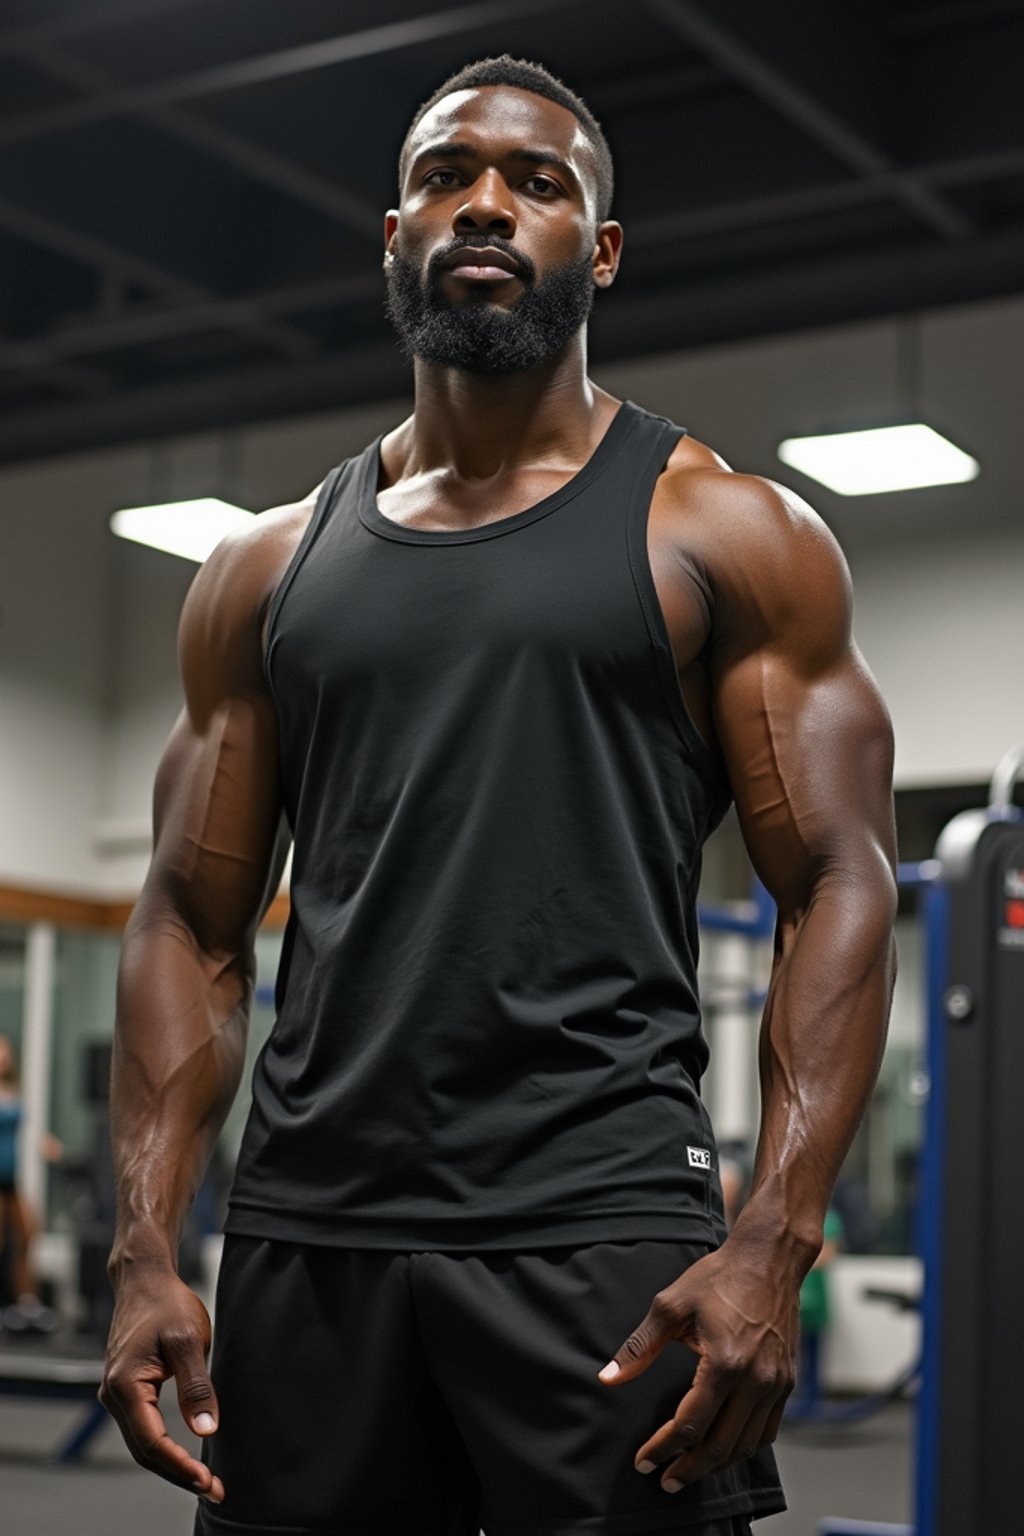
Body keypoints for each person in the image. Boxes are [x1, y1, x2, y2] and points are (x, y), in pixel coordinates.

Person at [99, 54, 898, 1536]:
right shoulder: (263, 572)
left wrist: (774, 1241)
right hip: (312, 1234)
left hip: (603, 1229)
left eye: (537, 182)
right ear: (393, 231)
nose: (483, 203)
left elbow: (838, 882)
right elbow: (187, 919)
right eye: (444, 175)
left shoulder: (726, 532)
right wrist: (145, 1246)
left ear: (595, 251)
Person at [0, 1033, 60, 1333]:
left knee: (27, 1234)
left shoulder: (13, 1090)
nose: (3, 1056)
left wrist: (42, 1143)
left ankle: (27, 1303)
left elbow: (24, 1129)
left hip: (11, 1178)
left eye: (5, 1050)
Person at [789, 1206, 845, 1417]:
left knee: (813, 1351)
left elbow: (827, 1254)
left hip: (815, 1298)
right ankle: (796, 1401)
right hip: (796, 1297)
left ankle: (812, 1402)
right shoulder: (795, 1214)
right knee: (791, 1352)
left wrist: (796, 1262)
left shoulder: (829, 1219)